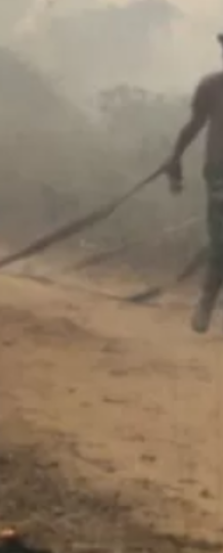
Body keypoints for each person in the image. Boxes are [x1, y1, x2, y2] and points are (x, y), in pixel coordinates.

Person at [167, 33, 223, 333]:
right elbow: (194, 125)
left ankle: (207, 301)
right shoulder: (212, 87)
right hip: (219, 174)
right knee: (221, 243)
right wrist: (175, 158)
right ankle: (206, 301)